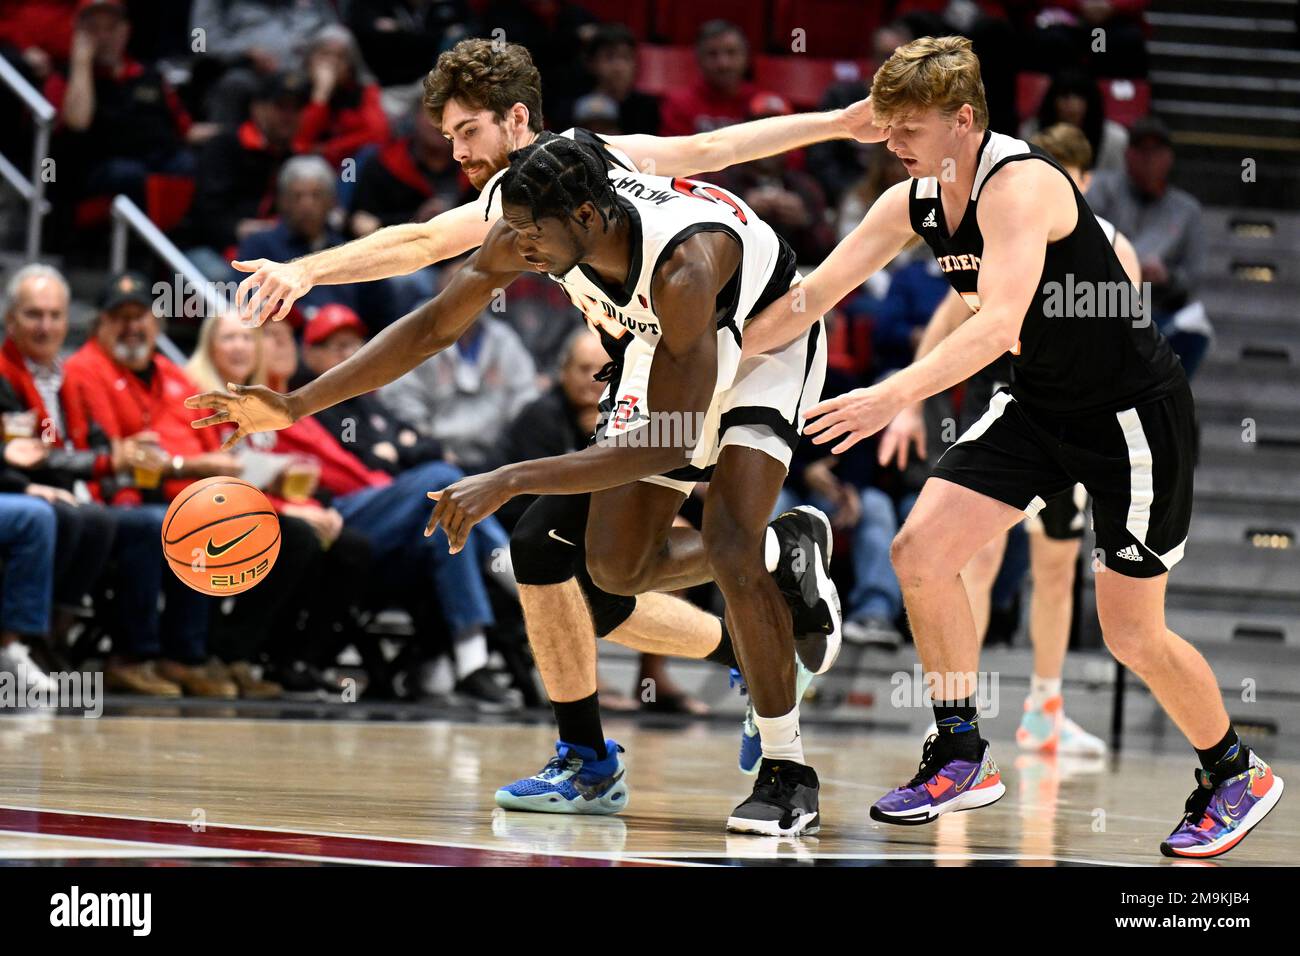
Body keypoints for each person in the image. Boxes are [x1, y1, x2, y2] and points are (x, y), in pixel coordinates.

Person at [188, 132, 841, 836]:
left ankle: (787, 772)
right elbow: (434, 326)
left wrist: (507, 479)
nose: (520, 246)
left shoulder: (684, 265)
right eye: (516, 228)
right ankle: (789, 548)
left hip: (770, 333)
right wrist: (294, 406)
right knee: (616, 569)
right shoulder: (532, 219)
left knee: (730, 542)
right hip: (666, 344)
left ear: (587, 218)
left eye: (534, 234)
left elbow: (670, 438)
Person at [739, 36, 1282, 858]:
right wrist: (711, 357)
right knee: (921, 551)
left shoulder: (1023, 185)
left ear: (964, 119)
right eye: (886, 129)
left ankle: (1235, 771)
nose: (892, 145)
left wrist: (894, 395)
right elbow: (812, 294)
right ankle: (960, 751)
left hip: (1130, 414)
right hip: (1039, 405)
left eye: (907, 128)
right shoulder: (912, 200)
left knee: (1131, 631)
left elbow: (997, 323)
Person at [906, 122, 1143, 757]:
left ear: (1084, 181)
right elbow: (951, 312)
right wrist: (906, 403)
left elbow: (1128, 343)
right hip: (1012, 404)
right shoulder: (995, 223)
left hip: (1080, 414)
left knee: (1057, 569)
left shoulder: (1112, 247)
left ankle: (1045, 706)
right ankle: (956, 713)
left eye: (1065, 172)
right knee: (969, 560)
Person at [63, 272, 240, 697]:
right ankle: (132, 655)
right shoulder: (84, 369)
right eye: (119, 317)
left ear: (156, 325)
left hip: (165, 494)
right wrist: (183, 464)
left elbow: (206, 446)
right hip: (107, 497)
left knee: (217, 519)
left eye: (140, 315)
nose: (132, 326)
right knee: (155, 524)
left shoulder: (172, 375)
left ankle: (189, 656)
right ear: (98, 326)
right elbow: (110, 454)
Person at [0, 263, 120, 674]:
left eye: (55, 316)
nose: (45, 326)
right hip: (23, 484)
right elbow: (23, 453)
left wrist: (107, 458)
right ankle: (26, 640)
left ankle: (55, 633)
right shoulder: (4, 374)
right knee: (63, 516)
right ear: (9, 318)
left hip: (58, 480)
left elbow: (76, 442)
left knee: (100, 520)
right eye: (34, 314)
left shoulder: (67, 376)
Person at [1087, 116, 1212, 378]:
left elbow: (1193, 276)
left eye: (1156, 152)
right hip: (1099, 304)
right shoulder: (1101, 189)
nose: (1149, 159)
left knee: (1196, 331)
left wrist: (1167, 277)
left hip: (1158, 311)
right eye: (1142, 151)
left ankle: (1167, 407)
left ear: (1169, 158)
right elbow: (1081, 244)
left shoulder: (1186, 211)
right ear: (1128, 155)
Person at [659, 20, 758, 138]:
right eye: (712, 54)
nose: (723, 64)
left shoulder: (764, 102)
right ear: (698, 59)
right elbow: (674, 153)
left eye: (732, 53)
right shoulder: (678, 104)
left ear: (746, 57)